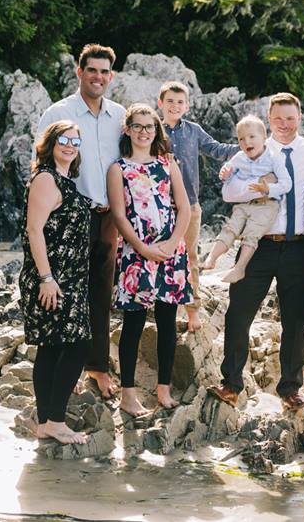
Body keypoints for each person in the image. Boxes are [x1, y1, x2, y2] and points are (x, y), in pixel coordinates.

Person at [208, 93, 304, 411]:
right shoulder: (254, 150)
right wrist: (256, 183)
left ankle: (290, 389)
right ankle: (231, 384)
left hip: (299, 246)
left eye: (290, 117)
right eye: (277, 118)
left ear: (300, 117)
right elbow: (229, 192)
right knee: (238, 314)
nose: (284, 124)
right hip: (256, 244)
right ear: (268, 120)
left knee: (295, 321)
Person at [37, 43, 125, 400]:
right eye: (92, 70)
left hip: (108, 217)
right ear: (79, 72)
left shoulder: (119, 115)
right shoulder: (58, 113)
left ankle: (97, 367)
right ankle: (64, 369)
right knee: (68, 294)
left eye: (105, 72)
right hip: (69, 217)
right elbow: (42, 164)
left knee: (101, 293)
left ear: (112, 76)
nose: (98, 77)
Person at [106, 104, 192, 415]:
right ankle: (128, 395)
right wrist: (143, 248)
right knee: (133, 323)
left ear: (156, 131)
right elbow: (118, 214)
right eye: (138, 126)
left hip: (171, 253)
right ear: (127, 129)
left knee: (168, 323)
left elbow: (184, 207)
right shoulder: (119, 169)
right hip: (136, 254)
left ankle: (163, 390)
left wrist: (171, 244)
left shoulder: (168, 164)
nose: (144, 132)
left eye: (149, 127)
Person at [19, 121, 92, 444]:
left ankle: (48, 421)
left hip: (68, 278)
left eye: (75, 141)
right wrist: (46, 278)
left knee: (52, 347)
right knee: (78, 345)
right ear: (49, 144)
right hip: (52, 278)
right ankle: (56, 421)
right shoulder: (46, 179)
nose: (69, 145)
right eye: (63, 139)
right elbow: (34, 230)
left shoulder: (64, 181)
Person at [159, 81, 239, 331]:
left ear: (188, 106)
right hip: (158, 206)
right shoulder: (153, 129)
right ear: (160, 103)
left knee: (190, 256)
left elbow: (216, 149)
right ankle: (161, 308)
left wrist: (248, 147)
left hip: (190, 206)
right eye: (170, 101)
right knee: (160, 256)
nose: (175, 106)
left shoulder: (193, 130)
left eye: (180, 102)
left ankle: (193, 310)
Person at [203, 115, 292, 284]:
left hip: (267, 204)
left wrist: (268, 189)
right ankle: (212, 258)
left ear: (264, 137)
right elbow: (228, 169)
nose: (246, 142)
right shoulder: (239, 157)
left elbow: (287, 184)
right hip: (244, 203)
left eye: (252, 137)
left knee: (251, 234)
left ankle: (239, 268)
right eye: (241, 139)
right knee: (230, 228)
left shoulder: (274, 158)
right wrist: (225, 173)